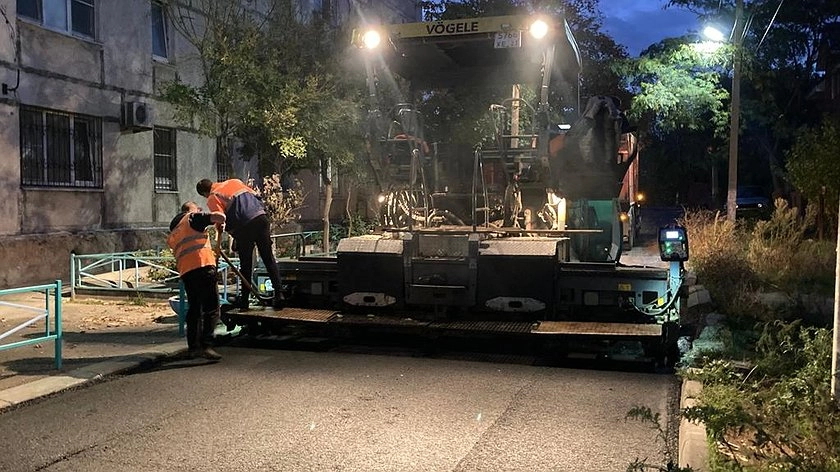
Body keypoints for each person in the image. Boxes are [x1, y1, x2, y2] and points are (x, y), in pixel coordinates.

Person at [196, 178, 284, 310]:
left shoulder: (213, 197)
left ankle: (244, 300)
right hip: (261, 217)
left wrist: (219, 231)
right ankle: (279, 294)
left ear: (205, 193)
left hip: (244, 226)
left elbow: (220, 218)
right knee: (268, 258)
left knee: (246, 264)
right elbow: (254, 196)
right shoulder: (234, 182)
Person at [167, 201, 226, 361]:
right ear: (189, 210)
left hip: (187, 272)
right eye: (197, 207)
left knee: (194, 308)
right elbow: (219, 216)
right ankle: (207, 345)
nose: (199, 209)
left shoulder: (174, 231)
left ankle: (193, 347)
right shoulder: (192, 218)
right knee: (212, 308)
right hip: (203, 266)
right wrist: (220, 222)